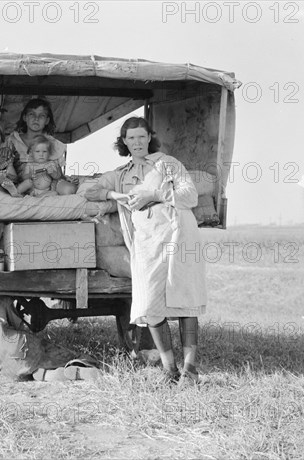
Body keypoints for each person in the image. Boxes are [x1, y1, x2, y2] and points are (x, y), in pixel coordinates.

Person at [84, 117, 207, 386]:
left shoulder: (167, 163)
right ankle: (169, 369)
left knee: (184, 298)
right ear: (124, 142)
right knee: (150, 303)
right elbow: (90, 191)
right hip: (147, 242)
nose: (137, 142)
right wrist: (115, 196)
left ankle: (190, 369)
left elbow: (190, 196)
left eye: (141, 137)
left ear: (149, 137)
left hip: (179, 236)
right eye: (131, 138)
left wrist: (156, 195)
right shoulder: (121, 173)